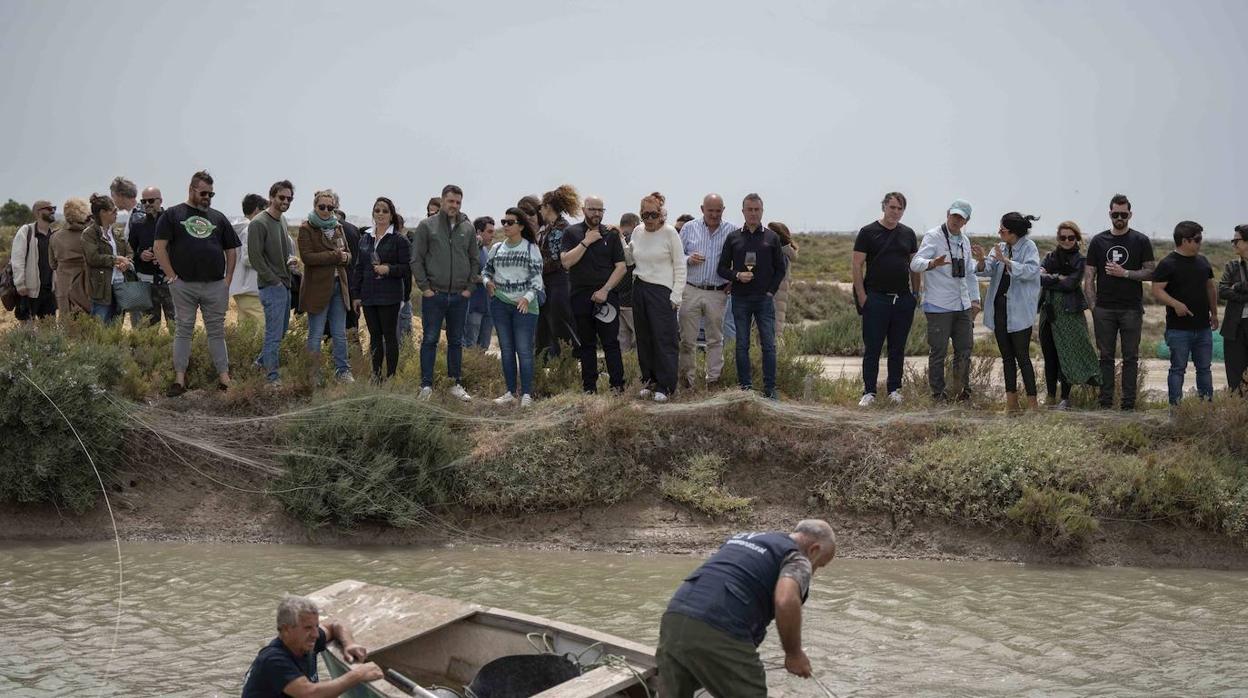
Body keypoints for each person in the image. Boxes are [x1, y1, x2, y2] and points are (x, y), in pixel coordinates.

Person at [657, 520, 837, 698]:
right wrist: (794, 654)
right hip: (720, 626)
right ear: (814, 550)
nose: (814, 572)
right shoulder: (798, 557)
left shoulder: (744, 539)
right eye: (819, 565)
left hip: (674, 617)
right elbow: (786, 600)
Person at [154, 170, 241, 396]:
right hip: (184, 285)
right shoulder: (172, 215)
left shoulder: (218, 218)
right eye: (204, 193)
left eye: (211, 194)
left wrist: (228, 279)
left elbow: (231, 249)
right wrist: (171, 276)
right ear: (191, 189)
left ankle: (224, 379)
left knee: (216, 332)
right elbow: (159, 247)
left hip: (215, 286)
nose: (207, 198)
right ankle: (179, 380)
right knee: (183, 330)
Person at [1084, 194, 1155, 410]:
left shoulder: (1140, 240)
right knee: (1105, 357)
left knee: (1130, 358)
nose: (1120, 218)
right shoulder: (1098, 241)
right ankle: (1105, 403)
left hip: (1131, 309)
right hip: (1104, 309)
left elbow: (1151, 272)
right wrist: (1094, 307)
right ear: (1110, 214)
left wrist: (1125, 273)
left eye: (1124, 214)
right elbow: (1089, 277)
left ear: (1130, 215)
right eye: (1116, 214)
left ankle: (1128, 405)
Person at [411, 184, 480, 401]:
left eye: (458, 202)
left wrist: (469, 289)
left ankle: (455, 383)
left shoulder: (467, 229)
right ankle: (426, 386)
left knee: (456, 341)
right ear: (442, 201)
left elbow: (474, 260)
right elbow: (417, 259)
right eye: (451, 201)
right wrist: (425, 288)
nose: (454, 206)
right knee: (430, 339)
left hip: (460, 296)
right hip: (435, 295)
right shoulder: (427, 226)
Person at [241, 595, 382, 698]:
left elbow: (336, 625)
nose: (315, 634)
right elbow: (309, 693)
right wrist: (358, 674)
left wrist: (349, 644)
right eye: (308, 628)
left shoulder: (306, 642)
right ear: (286, 630)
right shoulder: (273, 659)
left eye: (316, 626)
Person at [910, 200, 981, 402]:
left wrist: (975, 299)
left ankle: (961, 393)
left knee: (964, 350)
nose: (956, 220)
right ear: (948, 213)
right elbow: (915, 263)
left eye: (961, 218)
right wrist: (932, 263)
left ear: (967, 220)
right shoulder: (934, 236)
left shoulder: (965, 241)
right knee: (938, 352)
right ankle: (938, 396)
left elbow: (969, 274)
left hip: (962, 305)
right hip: (938, 305)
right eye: (954, 215)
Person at [853, 192, 919, 406]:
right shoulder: (867, 232)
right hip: (876, 299)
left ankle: (894, 390)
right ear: (884, 207)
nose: (895, 212)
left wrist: (915, 294)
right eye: (892, 207)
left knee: (897, 347)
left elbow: (914, 265)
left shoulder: (908, 234)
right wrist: (862, 296)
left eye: (900, 209)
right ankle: (869, 391)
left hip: (902, 299)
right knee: (872, 347)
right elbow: (856, 265)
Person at [718, 194, 786, 399]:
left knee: (769, 345)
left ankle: (770, 389)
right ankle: (745, 388)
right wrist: (737, 275)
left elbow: (780, 269)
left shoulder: (772, 238)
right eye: (749, 209)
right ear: (743, 212)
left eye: (757, 210)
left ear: (762, 211)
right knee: (741, 345)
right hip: (740, 299)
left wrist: (770, 292)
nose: (753, 213)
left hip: (764, 300)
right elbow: (721, 268)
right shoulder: (733, 237)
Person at [974, 212, 1042, 412]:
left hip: (1019, 312)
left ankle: (1032, 404)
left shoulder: (1029, 247)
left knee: (1022, 356)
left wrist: (1008, 262)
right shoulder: (1001, 247)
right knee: (1006, 358)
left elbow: (1031, 271)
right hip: (1000, 311)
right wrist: (980, 260)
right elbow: (987, 269)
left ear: (1013, 233)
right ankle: (1011, 403)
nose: (999, 232)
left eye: (1002, 230)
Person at [561, 195, 628, 394]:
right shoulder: (572, 232)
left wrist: (605, 290)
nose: (596, 214)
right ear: (584, 210)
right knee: (586, 345)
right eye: (593, 209)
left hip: (607, 297)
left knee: (611, 343)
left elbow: (622, 267)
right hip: (580, 297)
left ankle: (617, 387)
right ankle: (589, 389)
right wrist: (586, 242)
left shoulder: (611, 234)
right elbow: (566, 262)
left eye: (600, 210)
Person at [484, 208, 546, 407]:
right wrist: (487, 283)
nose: (505, 226)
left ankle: (526, 394)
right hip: (500, 304)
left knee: (524, 350)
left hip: (525, 306)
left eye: (510, 222)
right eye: (504, 221)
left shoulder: (530, 248)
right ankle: (510, 391)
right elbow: (486, 270)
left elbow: (537, 279)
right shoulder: (496, 248)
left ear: (520, 226)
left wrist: (527, 298)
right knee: (507, 349)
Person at [627, 191, 685, 402]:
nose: (649, 219)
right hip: (639, 287)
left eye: (653, 214)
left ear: (662, 214)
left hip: (662, 291)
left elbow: (680, 266)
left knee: (664, 339)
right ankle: (648, 381)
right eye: (645, 215)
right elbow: (630, 259)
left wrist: (676, 296)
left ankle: (666, 386)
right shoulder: (637, 231)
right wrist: (621, 244)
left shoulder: (670, 233)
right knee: (644, 338)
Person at [1152, 221, 1217, 406]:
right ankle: (1176, 410)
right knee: (1178, 369)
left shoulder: (1203, 261)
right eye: (1197, 239)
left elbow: (1210, 288)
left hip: (1203, 328)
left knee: (1204, 369)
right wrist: (1175, 304)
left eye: (1200, 239)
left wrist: (1214, 313)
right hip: (1178, 329)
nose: (1200, 243)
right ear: (1184, 240)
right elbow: (1156, 290)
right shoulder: (1168, 263)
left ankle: (1206, 407)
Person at [1038, 221, 1100, 408]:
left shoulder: (1081, 260)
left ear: (1077, 239)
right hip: (1048, 312)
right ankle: (1050, 397)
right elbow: (1038, 277)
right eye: (1062, 237)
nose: (1066, 241)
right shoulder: (1049, 256)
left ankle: (1065, 398)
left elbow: (1070, 285)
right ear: (1058, 238)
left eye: (1070, 237)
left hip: (1069, 313)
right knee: (1050, 355)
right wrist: (1058, 278)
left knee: (1067, 354)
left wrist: (1050, 277)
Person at [678, 194, 736, 390]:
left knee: (715, 339)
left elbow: (740, 260)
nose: (714, 214)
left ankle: (713, 380)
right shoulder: (689, 228)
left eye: (718, 211)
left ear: (723, 210)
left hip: (717, 292)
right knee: (687, 339)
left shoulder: (732, 231)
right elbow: (677, 256)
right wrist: (688, 259)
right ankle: (688, 381)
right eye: (710, 210)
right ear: (702, 209)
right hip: (691, 289)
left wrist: (733, 282)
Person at [298, 189, 354, 384]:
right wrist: (336, 256)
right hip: (318, 289)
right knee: (316, 333)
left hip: (339, 286)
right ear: (315, 206)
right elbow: (307, 257)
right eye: (322, 207)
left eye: (330, 207)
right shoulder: (306, 228)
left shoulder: (337, 227)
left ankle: (343, 371)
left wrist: (345, 257)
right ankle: (313, 374)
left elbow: (347, 254)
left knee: (339, 333)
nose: (325, 210)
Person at [352, 197, 411, 382]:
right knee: (374, 336)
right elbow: (359, 267)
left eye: (385, 211)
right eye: (377, 210)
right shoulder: (365, 238)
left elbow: (407, 268)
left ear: (391, 215)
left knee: (390, 336)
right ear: (373, 214)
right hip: (369, 294)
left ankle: (391, 377)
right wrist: (356, 295)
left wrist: (389, 269)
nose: (380, 214)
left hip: (389, 295)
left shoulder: (399, 239)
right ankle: (376, 375)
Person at [250, 182, 296, 386]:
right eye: (281, 197)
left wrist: (291, 261)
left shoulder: (283, 220)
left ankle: (259, 364)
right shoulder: (259, 223)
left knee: (282, 330)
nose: (285, 201)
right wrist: (274, 280)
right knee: (274, 334)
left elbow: (283, 251)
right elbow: (255, 258)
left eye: (289, 198)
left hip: (284, 285)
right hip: (271, 287)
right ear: (271, 197)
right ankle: (272, 378)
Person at [534, 185, 580, 360]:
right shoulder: (548, 229)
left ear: (548, 206)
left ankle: (568, 359)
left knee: (560, 323)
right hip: (548, 282)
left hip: (559, 281)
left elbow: (556, 259)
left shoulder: (562, 229)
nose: (540, 210)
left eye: (542, 207)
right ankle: (545, 360)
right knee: (545, 324)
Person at [82, 193, 135, 325]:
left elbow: (129, 252)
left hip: (120, 286)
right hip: (101, 290)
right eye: (114, 211)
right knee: (100, 330)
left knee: (116, 328)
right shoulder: (89, 234)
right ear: (103, 212)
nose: (117, 213)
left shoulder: (117, 232)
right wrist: (115, 260)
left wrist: (126, 263)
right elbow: (92, 258)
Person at [127, 187, 176, 328]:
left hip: (169, 282)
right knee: (149, 328)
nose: (147, 204)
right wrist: (140, 255)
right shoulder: (137, 226)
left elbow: (182, 249)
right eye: (144, 201)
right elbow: (130, 252)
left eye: (151, 200)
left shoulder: (171, 222)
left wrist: (165, 256)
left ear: (160, 201)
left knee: (176, 326)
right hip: (147, 284)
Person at [10, 199, 57, 321]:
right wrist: (20, 284)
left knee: (49, 330)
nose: (52, 211)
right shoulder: (26, 231)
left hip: (48, 291)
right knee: (27, 330)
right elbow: (17, 259)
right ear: (37, 212)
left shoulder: (54, 235)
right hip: (29, 291)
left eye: (54, 208)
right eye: (49, 208)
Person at [49, 197, 92, 317]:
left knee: (66, 321)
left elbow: (52, 264)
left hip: (63, 284)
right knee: (86, 322)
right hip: (84, 285)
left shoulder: (54, 236)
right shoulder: (89, 236)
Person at [231, 193, 268, 326]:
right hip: (250, 288)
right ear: (257, 209)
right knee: (264, 329)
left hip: (241, 288)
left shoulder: (239, 229)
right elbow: (248, 258)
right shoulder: (250, 228)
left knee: (245, 331)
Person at [1220, 225, 1248, 394]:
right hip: (1234, 326)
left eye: (1236, 240)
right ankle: (1237, 412)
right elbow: (1222, 291)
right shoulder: (1231, 266)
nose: (1233, 244)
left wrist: (1239, 286)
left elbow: (1230, 289)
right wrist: (1244, 295)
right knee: (1235, 374)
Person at [464, 216, 496, 349]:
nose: (492, 235)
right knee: (471, 345)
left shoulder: (485, 250)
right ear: (478, 232)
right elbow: (465, 274)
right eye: (489, 232)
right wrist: (484, 279)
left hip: (487, 306)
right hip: (474, 307)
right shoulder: (471, 249)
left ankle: (481, 370)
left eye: (493, 232)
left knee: (484, 346)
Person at [769, 221, 799, 336]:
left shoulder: (781, 255)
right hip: (777, 297)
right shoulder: (781, 253)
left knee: (775, 332)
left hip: (775, 297)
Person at [616, 212, 640, 352]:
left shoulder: (613, 238)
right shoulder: (633, 240)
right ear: (635, 224)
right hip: (632, 298)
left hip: (617, 297)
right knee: (639, 339)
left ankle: (624, 371)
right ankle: (636, 371)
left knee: (622, 340)